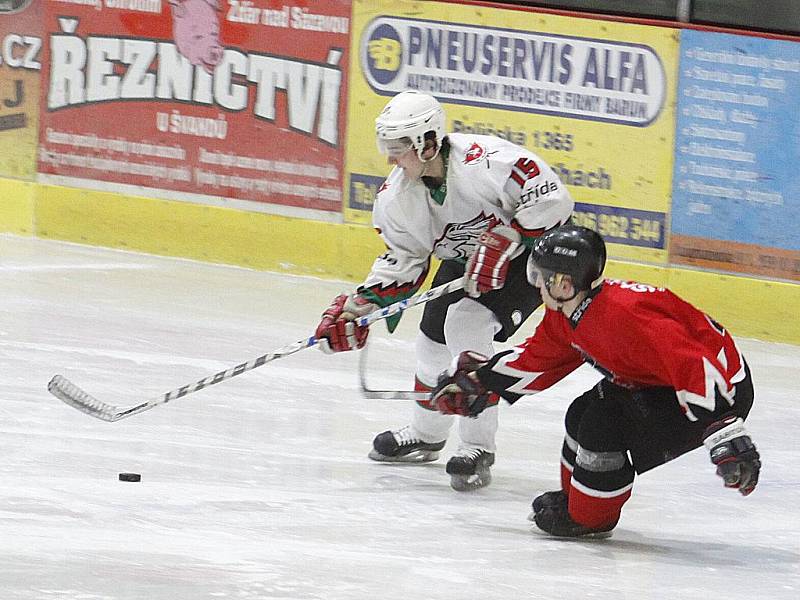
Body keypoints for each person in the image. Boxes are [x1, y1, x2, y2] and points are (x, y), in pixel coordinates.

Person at [314, 90, 574, 491]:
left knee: (467, 323)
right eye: (387, 146)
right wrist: (360, 306)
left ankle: (476, 444)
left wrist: (511, 238)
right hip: (471, 257)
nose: (390, 158)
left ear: (428, 142)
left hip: (530, 257)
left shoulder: (490, 163)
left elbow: (554, 201)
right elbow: (405, 260)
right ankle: (427, 432)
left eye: (398, 148)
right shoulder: (398, 198)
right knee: (432, 337)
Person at [429, 224, 760, 535]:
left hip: (718, 392)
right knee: (582, 412)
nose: (535, 283)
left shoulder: (623, 314)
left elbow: (692, 361)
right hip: (658, 381)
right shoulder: (570, 313)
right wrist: (481, 380)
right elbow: (538, 360)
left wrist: (724, 431)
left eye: (540, 276)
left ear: (563, 283)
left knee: (601, 426)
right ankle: (579, 501)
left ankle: (590, 517)